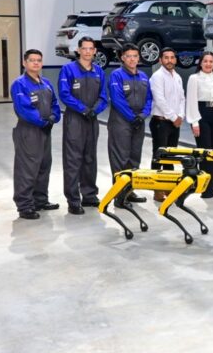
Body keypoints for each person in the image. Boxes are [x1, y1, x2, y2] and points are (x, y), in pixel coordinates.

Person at [58, 37, 108, 215]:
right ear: (78, 50)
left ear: (95, 51)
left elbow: (103, 96)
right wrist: (83, 109)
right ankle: (73, 200)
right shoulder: (68, 69)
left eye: (90, 48)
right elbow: (64, 94)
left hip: (92, 120)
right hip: (75, 119)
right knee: (73, 160)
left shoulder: (98, 71)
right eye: (84, 48)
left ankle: (89, 195)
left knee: (90, 158)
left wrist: (95, 110)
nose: (87, 52)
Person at [11, 49, 61, 220]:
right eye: (32, 60)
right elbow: (23, 109)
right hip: (29, 131)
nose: (36, 63)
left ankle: (40, 200)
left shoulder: (46, 83)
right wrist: (42, 121)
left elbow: (55, 103)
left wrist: (54, 117)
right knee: (27, 169)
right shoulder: (20, 84)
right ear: (24, 63)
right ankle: (25, 206)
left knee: (43, 166)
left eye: (39, 60)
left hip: (46, 130)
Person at [107, 44, 152, 203]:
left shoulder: (143, 76)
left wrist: (143, 115)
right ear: (123, 58)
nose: (132, 59)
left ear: (138, 58)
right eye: (128, 56)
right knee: (120, 158)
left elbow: (149, 99)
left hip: (139, 121)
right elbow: (117, 99)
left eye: (135, 56)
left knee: (134, 158)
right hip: (121, 122)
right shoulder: (116, 75)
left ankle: (130, 192)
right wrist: (132, 117)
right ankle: (119, 196)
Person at [186, 51, 213, 199]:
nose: (208, 64)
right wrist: (194, 122)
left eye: (211, 61)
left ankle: (211, 186)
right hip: (201, 115)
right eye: (205, 61)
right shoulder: (194, 78)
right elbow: (191, 101)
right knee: (205, 152)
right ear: (200, 63)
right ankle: (204, 187)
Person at [149, 47, 186, 199]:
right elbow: (160, 100)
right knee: (159, 156)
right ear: (160, 60)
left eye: (172, 57)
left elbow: (182, 98)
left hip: (174, 123)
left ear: (175, 60)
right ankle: (157, 189)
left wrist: (180, 116)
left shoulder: (177, 76)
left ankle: (168, 187)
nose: (169, 60)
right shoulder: (157, 77)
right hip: (161, 122)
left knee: (170, 157)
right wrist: (173, 117)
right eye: (166, 57)